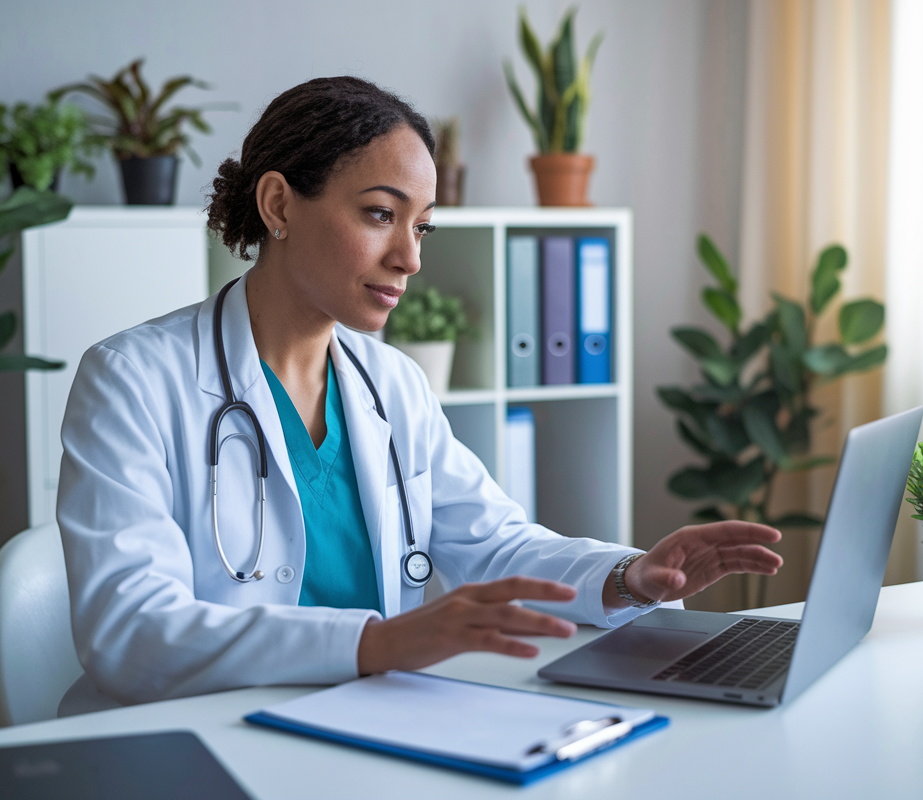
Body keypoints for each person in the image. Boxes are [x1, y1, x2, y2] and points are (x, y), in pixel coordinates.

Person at [56, 76, 782, 713]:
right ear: (278, 203)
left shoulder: (390, 382)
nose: (410, 257)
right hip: (200, 738)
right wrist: (378, 641)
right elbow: (131, 631)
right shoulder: (132, 381)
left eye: (422, 225)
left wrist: (628, 578)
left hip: (365, 718)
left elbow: (494, 543)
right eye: (380, 214)